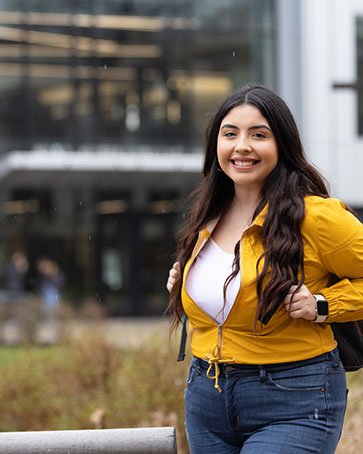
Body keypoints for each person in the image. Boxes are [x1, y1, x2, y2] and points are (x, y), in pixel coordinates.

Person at [166, 84, 363, 454]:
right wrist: (186, 282)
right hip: (207, 397)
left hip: (296, 397)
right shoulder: (208, 215)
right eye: (230, 134)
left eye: (259, 134)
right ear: (216, 146)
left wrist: (323, 304)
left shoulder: (316, 216)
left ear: (282, 145)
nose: (242, 146)